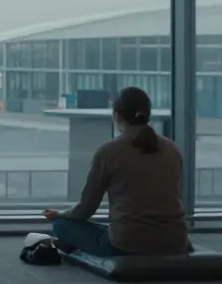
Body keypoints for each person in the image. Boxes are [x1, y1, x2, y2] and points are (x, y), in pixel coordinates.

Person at [42, 87, 189, 257]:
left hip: (128, 243)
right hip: (175, 241)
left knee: (61, 225)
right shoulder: (172, 149)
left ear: (117, 116)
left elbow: (85, 210)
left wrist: (60, 214)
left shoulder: (108, 151)